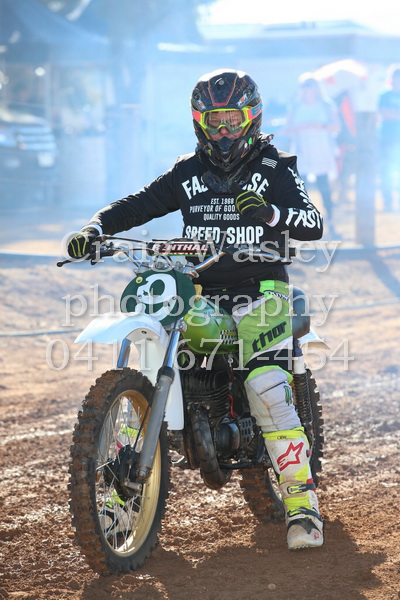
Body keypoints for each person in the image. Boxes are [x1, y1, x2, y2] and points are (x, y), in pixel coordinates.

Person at [66, 69, 324, 550]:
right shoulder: (188, 172)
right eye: (214, 121)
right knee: (157, 351)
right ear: (198, 123)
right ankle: (123, 503)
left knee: (267, 387)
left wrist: (269, 214)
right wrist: (96, 228)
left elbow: (312, 223)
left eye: (232, 120)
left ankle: (302, 506)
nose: (223, 131)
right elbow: (139, 204)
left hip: (261, 288)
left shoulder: (275, 167)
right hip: (199, 289)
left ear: (251, 118)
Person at [285, 76, 340, 235]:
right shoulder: (295, 106)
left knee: (324, 188)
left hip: (322, 151)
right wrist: (301, 127)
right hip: (302, 151)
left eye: (310, 86)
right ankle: (302, 224)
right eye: (304, 87)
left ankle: (331, 222)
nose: (307, 90)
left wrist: (318, 125)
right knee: (301, 190)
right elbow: (287, 129)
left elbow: (336, 126)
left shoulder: (326, 105)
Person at [378, 65, 400, 212]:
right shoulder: (384, 96)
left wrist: (394, 113)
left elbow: (391, 114)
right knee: (386, 171)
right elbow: (385, 113)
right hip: (387, 138)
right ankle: (388, 202)